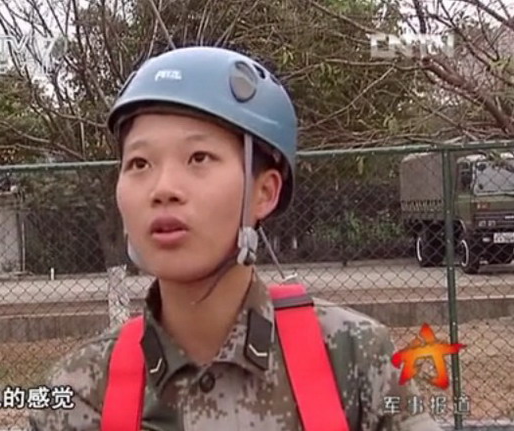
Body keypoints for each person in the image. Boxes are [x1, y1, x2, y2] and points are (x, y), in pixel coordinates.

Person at [29, 46, 443, 431]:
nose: (163, 188)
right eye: (139, 163)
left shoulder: (355, 359)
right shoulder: (79, 393)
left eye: (198, 158)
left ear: (265, 192)